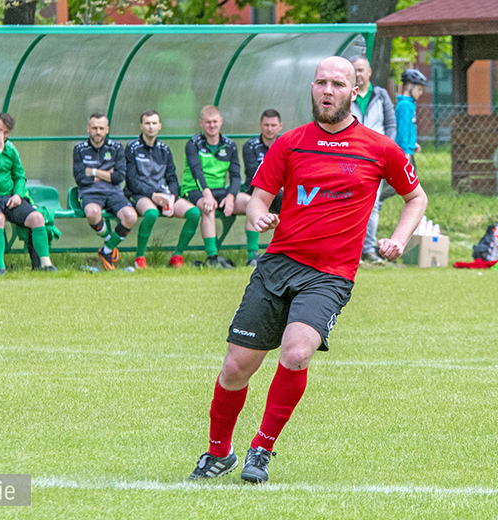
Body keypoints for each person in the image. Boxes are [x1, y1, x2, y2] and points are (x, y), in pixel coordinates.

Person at [188, 56, 427, 484]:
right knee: (235, 368)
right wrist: (258, 215)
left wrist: (399, 239)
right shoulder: (290, 142)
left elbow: (416, 198)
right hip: (278, 265)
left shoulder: (379, 147)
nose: (327, 90)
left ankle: (260, 449)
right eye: (321, 82)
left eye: (338, 83)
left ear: (355, 91)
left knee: (297, 353)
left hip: (331, 275)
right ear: (313, 88)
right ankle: (218, 453)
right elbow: (259, 197)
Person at [0, 113, 56, 274]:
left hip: (9, 197)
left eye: (6, 132)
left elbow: (20, 176)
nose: (2, 135)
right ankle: (0, 267)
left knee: (37, 218)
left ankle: (45, 265)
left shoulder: (12, 149)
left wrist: (18, 195)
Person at [180, 105, 257, 268]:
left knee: (252, 203)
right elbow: (197, 172)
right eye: (208, 122)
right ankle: (212, 258)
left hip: (220, 191)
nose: (212, 125)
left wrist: (230, 197)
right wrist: (206, 195)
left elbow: (236, 176)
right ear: (201, 123)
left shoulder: (229, 145)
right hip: (194, 189)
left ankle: (253, 256)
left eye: (215, 121)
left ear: (221, 122)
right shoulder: (193, 144)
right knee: (208, 206)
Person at [125, 110, 200, 269]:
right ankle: (139, 258)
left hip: (163, 194)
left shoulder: (164, 149)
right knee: (151, 213)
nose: (151, 127)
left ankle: (177, 255)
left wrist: (171, 197)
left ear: (159, 126)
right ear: (141, 126)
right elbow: (131, 181)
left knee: (194, 213)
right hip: (139, 194)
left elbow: (172, 177)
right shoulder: (132, 147)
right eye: (147, 123)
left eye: (154, 123)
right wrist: (153, 195)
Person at [349, 56, 397, 266]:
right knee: (349, 204)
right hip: (350, 156)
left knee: (373, 204)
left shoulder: (380, 95)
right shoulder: (346, 96)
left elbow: (390, 124)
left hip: (375, 157)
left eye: (361, 70)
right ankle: (351, 251)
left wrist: (388, 149)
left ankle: (368, 250)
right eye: (354, 71)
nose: (358, 74)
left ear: (369, 71)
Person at [73, 113, 137, 271]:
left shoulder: (116, 147)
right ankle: (109, 240)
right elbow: (80, 178)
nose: (98, 132)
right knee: (92, 213)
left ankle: (106, 250)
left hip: (114, 192)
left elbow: (118, 177)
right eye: (94, 128)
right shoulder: (79, 149)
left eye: (101, 128)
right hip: (89, 193)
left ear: (107, 129)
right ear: (88, 129)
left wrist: (93, 171)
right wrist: (107, 174)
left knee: (131, 216)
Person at [241, 109, 283, 266]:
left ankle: (284, 253)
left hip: (281, 192)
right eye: (266, 125)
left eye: (273, 125)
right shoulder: (250, 146)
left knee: (295, 203)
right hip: (256, 191)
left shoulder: (285, 145)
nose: (269, 129)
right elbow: (254, 174)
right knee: (250, 202)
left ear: (280, 126)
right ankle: (252, 255)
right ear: (260, 125)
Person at [396, 69, 428, 167]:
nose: (421, 92)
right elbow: (403, 129)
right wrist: (406, 151)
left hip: (408, 149)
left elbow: (410, 126)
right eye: (419, 89)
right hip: (404, 152)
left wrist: (413, 144)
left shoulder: (409, 103)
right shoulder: (405, 105)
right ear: (409, 86)